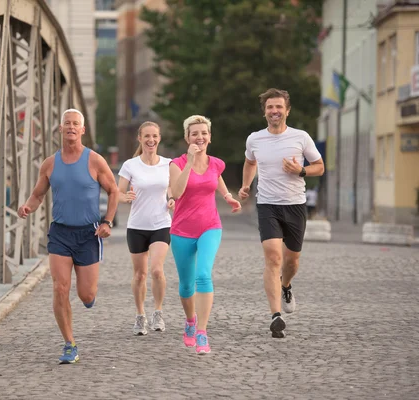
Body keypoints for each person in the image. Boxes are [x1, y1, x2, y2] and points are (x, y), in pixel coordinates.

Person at [18, 108, 119, 364]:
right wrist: (28, 205)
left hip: (88, 234)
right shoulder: (50, 164)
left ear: (82, 130)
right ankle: (69, 343)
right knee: (60, 287)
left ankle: (88, 297)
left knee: (86, 294)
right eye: (67, 123)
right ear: (60, 129)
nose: (71, 127)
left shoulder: (95, 160)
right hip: (60, 233)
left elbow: (114, 191)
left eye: (76, 124)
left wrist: (107, 221)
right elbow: (38, 194)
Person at [238, 88, 324, 339]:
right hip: (267, 205)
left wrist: (301, 170)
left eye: (278, 107)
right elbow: (250, 162)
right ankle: (276, 315)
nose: (274, 111)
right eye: (269, 107)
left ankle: (285, 285)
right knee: (273, 258)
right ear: (264, 112)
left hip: (295, 204)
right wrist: (245, 186)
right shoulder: (254, 139)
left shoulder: (301, 137)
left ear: (287, 110)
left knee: (291, 261)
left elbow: (320, 166)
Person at [169, 115, 241, 354]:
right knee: (186, 285)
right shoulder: (176, 164)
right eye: (194, 134)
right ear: (187, 138)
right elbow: (177, 192)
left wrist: (228, 196)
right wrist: (189, 161)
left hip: (210, 226)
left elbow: (216, 180)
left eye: (204, 133)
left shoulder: (216, 163)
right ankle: (190, 321)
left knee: (203, 275)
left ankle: (201, 331)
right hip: (181, 230)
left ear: (210, 136)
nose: (200, 137)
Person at [117, 121, 174, 336]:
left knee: (157, 270)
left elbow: (172, 188)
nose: (151, 140)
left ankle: (158, 312)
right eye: (147, 136)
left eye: (155, 136)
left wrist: (172, 199)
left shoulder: (168, 164)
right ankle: (140, 315)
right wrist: (125, 197)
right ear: (140, 139)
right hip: (137, 226)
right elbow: (119, 192)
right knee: (140, 275)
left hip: (161, 223)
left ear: (159, 138)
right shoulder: (130, 165)